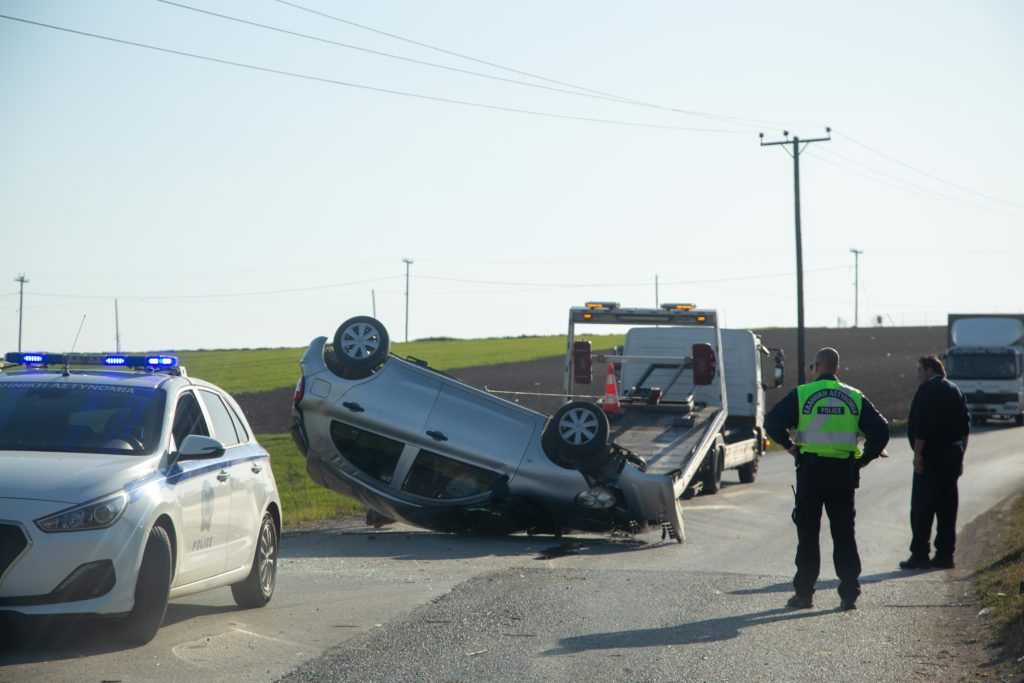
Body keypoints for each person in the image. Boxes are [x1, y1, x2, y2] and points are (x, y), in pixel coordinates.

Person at [765, 347, 890, 611]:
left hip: (811, 471)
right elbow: (881, 430)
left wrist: (789, 446)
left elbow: (772, 422)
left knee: (808, 535)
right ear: (837, 368)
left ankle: (804, 595)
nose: (811, 370)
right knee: (844, 534)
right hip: (843, 473)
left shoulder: (802, 394)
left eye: (812, 366)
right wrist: (863, 459)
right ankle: (848, 595)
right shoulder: (854, 396)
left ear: (818, 366)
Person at [900, 354, 970, 570]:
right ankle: (945, 555)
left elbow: (923, 424)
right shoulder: (954, 389)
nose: (917, 375)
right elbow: (965, 426)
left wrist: (917, 455)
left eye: (919, 370)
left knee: (922, 506)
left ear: (930, 370)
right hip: (952, 454)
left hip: (930, 455)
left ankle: (920, 554)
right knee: (947, 506)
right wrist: (961, 456)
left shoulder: (927, 390)